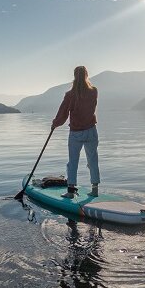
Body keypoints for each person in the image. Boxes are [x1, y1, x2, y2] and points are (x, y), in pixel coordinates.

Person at [51, 66, 100, 198]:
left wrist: (55, 124)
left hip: (76, 133)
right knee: (93, 160)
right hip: (91, 131)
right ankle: (95, 189)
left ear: (74, 76)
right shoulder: (94, 91)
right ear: (86, 75)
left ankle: (71, 192)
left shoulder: (70, 95)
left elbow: (62, 114)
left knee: (73, 162)